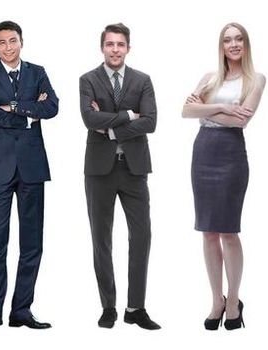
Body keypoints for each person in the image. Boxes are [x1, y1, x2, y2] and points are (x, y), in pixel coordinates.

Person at [180, 22, 264, 331]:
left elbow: (242, 121)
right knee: (208, 231)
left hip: (231, 155)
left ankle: (234, 300)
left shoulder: (256, 79)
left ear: (246, 43)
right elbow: (185, 112)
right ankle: (217, 298)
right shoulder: (209, 78)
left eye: (239, 38)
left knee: (228, 230)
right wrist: (219, 107)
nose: (233, 44)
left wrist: (204, 108)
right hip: (203, 153)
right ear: (221, 45)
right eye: (228, 40)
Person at [0, 20, 57, 331]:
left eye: (13, 41)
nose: (8, 47)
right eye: (2, 42)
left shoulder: (37, 72)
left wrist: (12, 107)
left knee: (32, 242)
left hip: (33, 166)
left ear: (22, 41)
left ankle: (21, 310)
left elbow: (53, 107)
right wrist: (28, 112)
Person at [77, 23, 160, 330]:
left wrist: (109, 127)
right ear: (103, 47)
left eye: (120, 44)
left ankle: (135, 308)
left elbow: (151, 121)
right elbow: (88, 118)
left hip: (134, 169)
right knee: (102, 238)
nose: (115, 49)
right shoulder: (88, 80)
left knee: (142, 236)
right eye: (110, 44)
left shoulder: (142, 80)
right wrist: (128, 115)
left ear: (128, 48)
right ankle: (108, 306)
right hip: (99, 170)